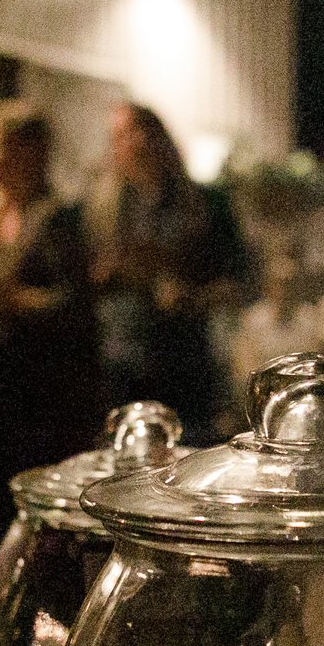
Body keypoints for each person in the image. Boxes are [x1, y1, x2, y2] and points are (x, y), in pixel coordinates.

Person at [0, 103, 103, 582]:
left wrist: (4, 297)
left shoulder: (55, 218)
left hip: (36, 398)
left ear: (29, 152)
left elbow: (72, 306)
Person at [85, 103, 248, 433]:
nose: (137, 142)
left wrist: (191, 295)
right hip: (121, 360)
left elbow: (239, 280)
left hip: (185, 361)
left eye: (144, 131)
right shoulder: (98, 210)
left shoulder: (206, 204)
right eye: (122, 136)